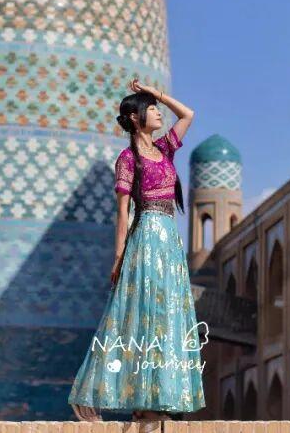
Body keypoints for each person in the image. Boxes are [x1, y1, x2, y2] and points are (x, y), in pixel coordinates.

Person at [68, 78, 207, 426]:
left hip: (170, 243)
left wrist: (154, 93)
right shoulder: (128, 160)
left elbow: (188, 115)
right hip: (145, 239)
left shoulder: (165, 150)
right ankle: (91, 396)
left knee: (165, 317)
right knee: (137, 315)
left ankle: (152, 402)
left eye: (158, 109)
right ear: (135, 118)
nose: (159, 114)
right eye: (152, 110)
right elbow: (123, 213)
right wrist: (118, 257)